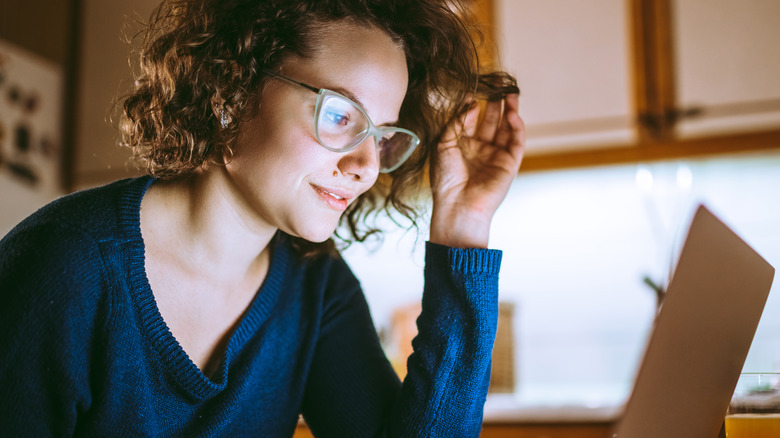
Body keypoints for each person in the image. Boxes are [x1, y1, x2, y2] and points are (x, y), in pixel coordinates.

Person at [0, 0, 524, 436]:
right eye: (341, 115)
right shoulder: (62, 267)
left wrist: (463, 227)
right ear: (231, 90)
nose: (366, 166)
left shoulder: (315, 285)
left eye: (383, 135)